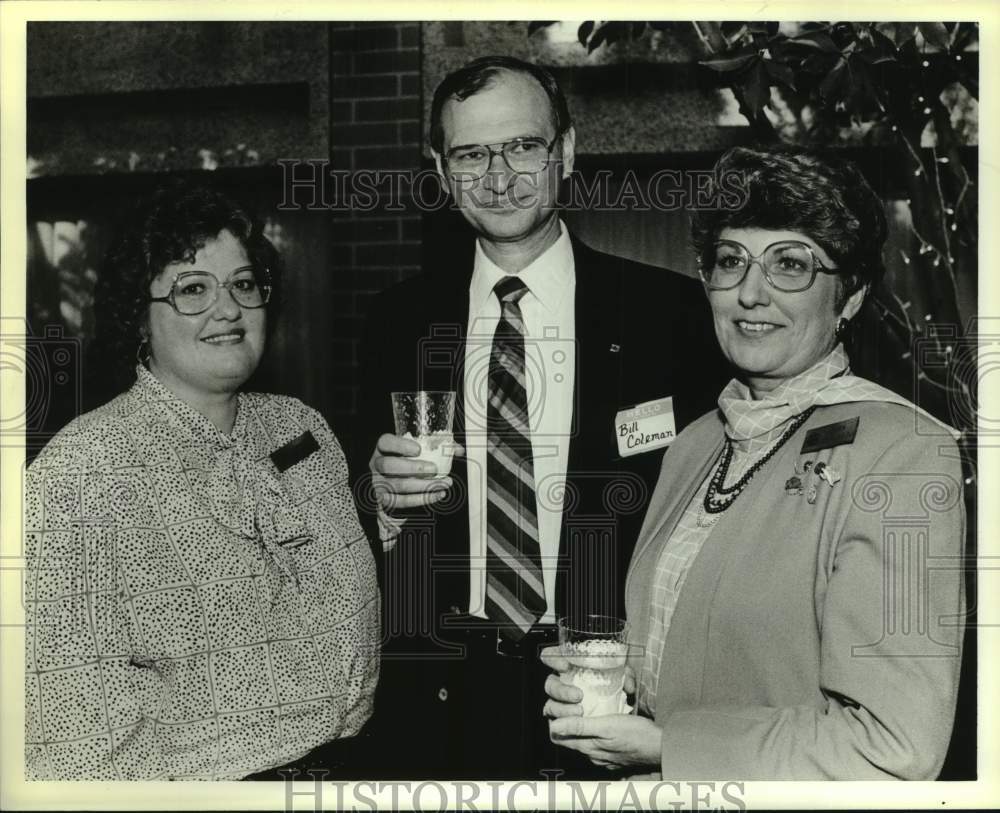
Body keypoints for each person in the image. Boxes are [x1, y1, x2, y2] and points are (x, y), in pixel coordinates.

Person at [355, 56, 729, 779]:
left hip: (609, 697)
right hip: (441, 705)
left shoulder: (670, 316)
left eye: (523, 145)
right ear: (440, 167)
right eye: (471, 153)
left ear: (567, 150)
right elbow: (365, 509)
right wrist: (379, 498)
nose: (500, 177)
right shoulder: (395, 321)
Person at [541, 146, 966, 780]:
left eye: (790, 264)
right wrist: (611, 685)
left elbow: (896, 747)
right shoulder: (695, 446)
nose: (750, 294)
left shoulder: (903, 454)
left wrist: (667, 746)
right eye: (730, 261)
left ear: (849, 298)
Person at [23, 183, 380, 780]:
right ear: (138, 315)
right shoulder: (80, 475)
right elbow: (74, 742)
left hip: (356, 770)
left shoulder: (299, 429)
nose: (228, 310)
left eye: (243, 284)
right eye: (193, 289)